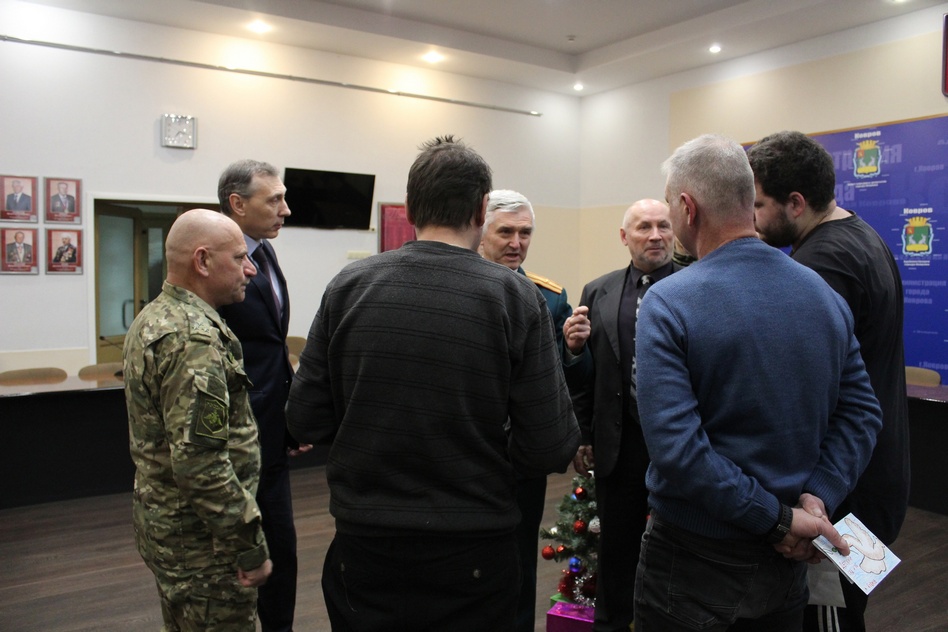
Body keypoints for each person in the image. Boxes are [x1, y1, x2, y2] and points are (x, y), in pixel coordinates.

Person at [285, 135, 581, 632]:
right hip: (474, 548)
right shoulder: (514, 297)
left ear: (410, 207)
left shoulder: (348, 287)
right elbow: (551, 443)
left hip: (365, 545)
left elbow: (304, 418)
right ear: (482, 210)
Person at [633, 134, 883, 631]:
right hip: (788, 561)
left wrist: (777, 519)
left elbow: (678, 450)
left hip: (696, 560)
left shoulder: (669, 302)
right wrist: (817, 497)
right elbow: (861, 413)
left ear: (687, 208)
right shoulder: (823, 294)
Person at [747, 130, 910, 632]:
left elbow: (809, 397)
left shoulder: (820, 265)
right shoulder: (862, 237)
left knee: (827, 618)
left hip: (841, 490)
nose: (752, 218)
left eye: (759, 205)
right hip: (870, 472)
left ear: (796, 203)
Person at [124, 208, 272, 631]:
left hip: (172, 529)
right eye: (239, 258)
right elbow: (201, 464)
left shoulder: (155, 316)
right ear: (202, 261)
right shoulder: (193, 340)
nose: (250, 269)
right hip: (206, 545)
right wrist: (248, 544)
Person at [563, 198, 679, 632]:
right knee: (616, 549)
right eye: (644, 227)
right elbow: (587, 375)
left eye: (664, 225)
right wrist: (583, 433)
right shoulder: (598, 291)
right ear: (624, 237)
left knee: (677, 548)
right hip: (619, 444)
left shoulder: (695, 285)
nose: (656, 235)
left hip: (679, 443)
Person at [478, 188, 590, 632]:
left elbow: (569, 380)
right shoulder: (461, 286)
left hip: (520, 456)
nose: (516, 243)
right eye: (505, 232)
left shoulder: (549, 297)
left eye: (524, 233)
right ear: (480, 231)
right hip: (467, 449)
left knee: (519, 558)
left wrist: (574, 349)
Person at [216, 159, 307, 632]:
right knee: (237, 561)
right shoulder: (214, 263)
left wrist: (291, 419)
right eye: (274, 200)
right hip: (231, 446)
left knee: (281, 553)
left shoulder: (265, 252)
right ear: (237, 203)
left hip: (269, 435)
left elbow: (271, 348)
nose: (285, 210)